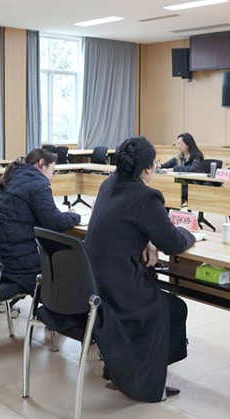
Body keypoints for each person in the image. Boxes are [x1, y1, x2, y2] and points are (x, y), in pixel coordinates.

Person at [86, 136, 196, 403]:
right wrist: (189, 233)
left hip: (92, 281)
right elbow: (173, 242)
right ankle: (144, 380)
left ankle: (123, 368)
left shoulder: (109, 183)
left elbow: (123, 222)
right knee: (171, 308)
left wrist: (146, 239)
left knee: (169, 305)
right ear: (148, 169)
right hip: (118, 287)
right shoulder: (146, 197)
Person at [0, 148, 81, 294]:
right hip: (16, 262)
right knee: (70, 261)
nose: (53, 176)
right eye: (53, 170)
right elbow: (54, 222)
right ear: (42, 163)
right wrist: (74, 215)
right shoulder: (37, 184)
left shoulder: (12, 176)